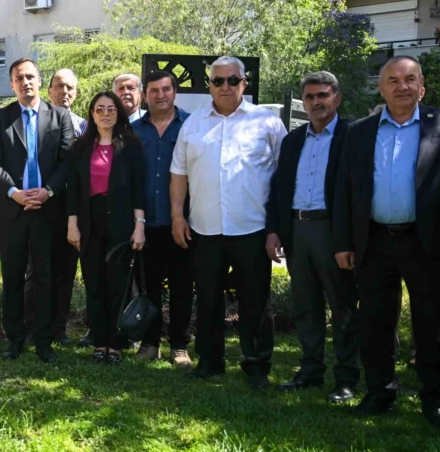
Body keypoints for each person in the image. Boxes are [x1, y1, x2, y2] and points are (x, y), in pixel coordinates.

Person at [333, 56, 440, 428]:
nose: (402, 86)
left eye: (410, 79)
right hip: (374, 242)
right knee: (375, 321)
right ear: (381, 88)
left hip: (427, 242)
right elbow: (343, 190)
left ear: (422, 86)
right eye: (393, 80)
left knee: (431, 324)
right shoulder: (360, 131)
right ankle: (380, 392)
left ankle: (434, 400)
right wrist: (342, 242)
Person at [170, 56, 287, 389]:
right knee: (207, 298)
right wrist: (178, 215)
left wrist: (276, 227)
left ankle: (257, 364)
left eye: (232, 80)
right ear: (209, 84)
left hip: (251, 228)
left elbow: (282, 177)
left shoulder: (267, 123)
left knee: (255, 300)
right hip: (204, 228)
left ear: (244, 83)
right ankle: (210, 360)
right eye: (218, 81)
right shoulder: (192, 124)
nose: (225, 86)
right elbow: (179, 173)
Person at [266, 71, 359, 401]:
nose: (316, 102)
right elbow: (279, 189)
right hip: (297, 230)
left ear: (337, 97)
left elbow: (358, 192)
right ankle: (310, 370)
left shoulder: (353, 135)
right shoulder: (293, 140)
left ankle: (347, 377)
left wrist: (347, 239)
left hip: (333, 231)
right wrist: (275, 230)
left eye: (323, 95)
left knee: (343, 305)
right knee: (305, 305)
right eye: (310, 97)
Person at [0, 58, 75, 363]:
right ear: (12, 84)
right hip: (12, 212)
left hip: (48, 212)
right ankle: (15, 339)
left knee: (46, 276)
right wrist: (15, 193)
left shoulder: (59, 116)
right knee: (11, 276)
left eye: (30, 77)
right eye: (19, 78)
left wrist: (47, 191)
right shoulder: (0, 117)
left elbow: (67, 163)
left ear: (40, 80)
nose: (25, 82)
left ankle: (44, 340)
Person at [67, 91, 146, 364]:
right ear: (91, 113)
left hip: (122, 221)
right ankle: (100, 343)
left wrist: (139, 226)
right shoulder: (80, 148)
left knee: (117, 284)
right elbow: (74, 191)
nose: (105, 113)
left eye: (111, 109)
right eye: (99, 109)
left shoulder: (131, 145)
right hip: (89, 221)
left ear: (118, 113)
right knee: (95, 284)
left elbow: (139, 189)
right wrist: (72, 224)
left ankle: (116, 344)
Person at [131, 70, 194, 366]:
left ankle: (179, 345)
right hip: (146, 224)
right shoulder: (135, 130)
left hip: (182, 222)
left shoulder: (191, 125)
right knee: (149, 286)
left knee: (183, 285)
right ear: (145, 95)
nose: (160, 95)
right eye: (154, 91)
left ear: (174, 92)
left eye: (165, 89)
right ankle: (150, 342)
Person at [23, 68, 86, 347]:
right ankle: (32, 328)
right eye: (59, 86)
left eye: (70, 87)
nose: (65, 92)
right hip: (42, 208)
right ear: (48, 90)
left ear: (77, 93)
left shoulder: (86, 127)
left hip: (73, 213)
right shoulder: (39, 121)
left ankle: (58, 329)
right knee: (36, 270)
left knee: (65, 272)